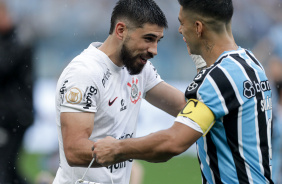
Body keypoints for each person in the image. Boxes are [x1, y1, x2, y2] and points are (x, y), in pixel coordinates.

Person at [92, 0, 274, 183]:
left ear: (198, 27)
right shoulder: (251, 63)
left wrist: (116, 148)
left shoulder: (218, 79)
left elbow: (172, 142)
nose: (180, 30)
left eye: (182, 22)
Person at [52, 0, 200, 183]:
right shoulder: (85, 73)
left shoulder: (140, 68)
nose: (154, 50)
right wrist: (128, 148)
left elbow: (183, 106)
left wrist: (226, 107)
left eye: (157, 41)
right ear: (121, 30)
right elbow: (74, 151)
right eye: (148, 39)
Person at [0, 1, 34, 184]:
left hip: (15, 116)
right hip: (10, 115)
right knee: (8, 168)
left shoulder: (19, 37)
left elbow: (4, 66)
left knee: (4, 167)